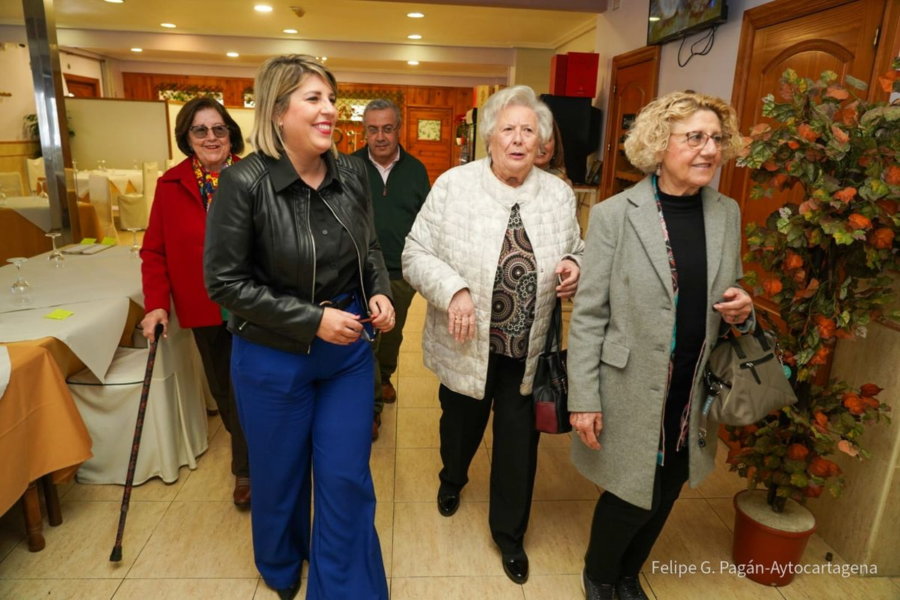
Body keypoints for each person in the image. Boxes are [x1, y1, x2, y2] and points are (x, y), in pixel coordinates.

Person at [204, 54, 394, 600]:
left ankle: (344, 588)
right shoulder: (244, 182)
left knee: (345, 479)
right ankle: (281, 564)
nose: (330, 110)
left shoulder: (352, 172)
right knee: (279, 478)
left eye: (332, 99)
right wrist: (312, 320)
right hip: (271, 358)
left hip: (347, 355)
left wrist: (377, 289)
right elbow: (225, 284)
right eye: (314, 99)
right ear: (278, 109)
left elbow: (371, 246)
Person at [567, 91, 754, 600]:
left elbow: (731, 290)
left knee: (671, 482)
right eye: (695, 137)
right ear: (658, 143)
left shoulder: (726, 212)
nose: (709, 150)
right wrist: (582, 398)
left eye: (717, 138)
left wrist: (743, 307)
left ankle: (630, 573)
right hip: (630, 382)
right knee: (631, 488)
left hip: (693, 384)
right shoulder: (615, 215)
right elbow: (588, 315)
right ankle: (601, 575)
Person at [402, 85, 584, 586]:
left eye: (529, 130)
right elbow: (414, 253)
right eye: (509, 129)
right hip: (467, 342)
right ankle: (452, 477)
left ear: (542, 142)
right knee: (460, 426)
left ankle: (510, 534)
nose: (519, 139)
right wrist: (454, 290)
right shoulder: (454, 186)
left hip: (528, 348)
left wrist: (573, 264)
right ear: (490, 138)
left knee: (517, 445)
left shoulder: (558, 193)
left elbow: (579, 250)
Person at [140, 96, 252, 508]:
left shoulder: (257, 175)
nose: (210, 137)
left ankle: (265, 463)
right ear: (186, 137)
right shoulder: (170, 185)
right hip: (205, 307)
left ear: (230, 134)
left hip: (258, 305)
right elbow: (155, 251)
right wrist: (156, 305)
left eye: (218, 128)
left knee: (260, 387)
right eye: (200, 130)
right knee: (226, 389)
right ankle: (246, 470)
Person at [351, 99, 430, 441]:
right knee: (365, 340)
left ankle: (385, 376)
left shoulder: (415, 170)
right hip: (356, 272)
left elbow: (427, 222)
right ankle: (370, 411)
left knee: (391, 337)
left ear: (399, 129)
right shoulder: (346, 167)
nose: (380, 136)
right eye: (373, 129)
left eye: (387, 128)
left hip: (400, 271)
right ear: (364, 131)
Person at [534, 119, 570, 185]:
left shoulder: (563, 184)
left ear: (555, 145)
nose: (540, 145)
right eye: (535, 139)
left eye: (547, 139)